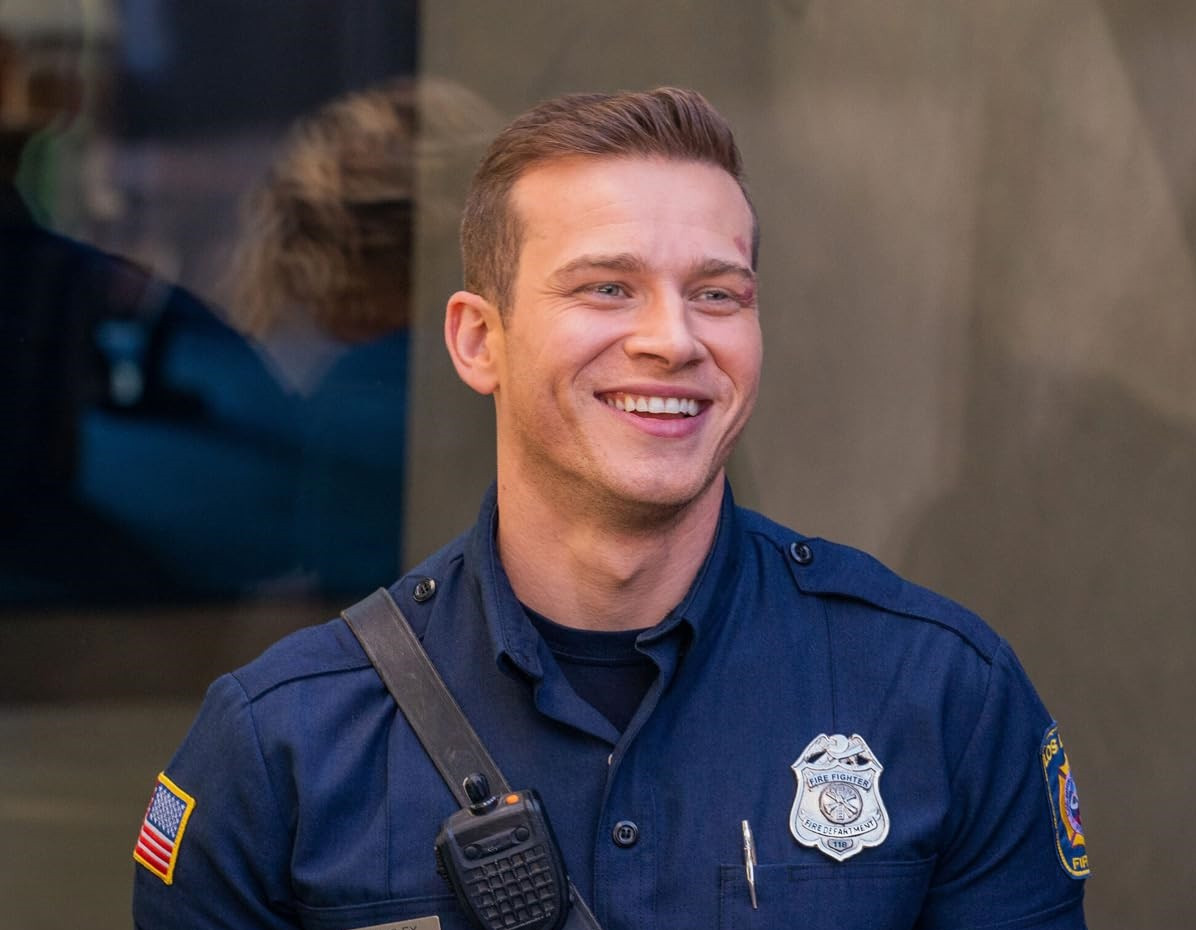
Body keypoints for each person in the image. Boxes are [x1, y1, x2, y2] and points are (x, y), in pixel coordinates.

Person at [132, 87, 1090, 929]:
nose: (673, 339)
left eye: (716, 294)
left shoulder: (940, 696)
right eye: (607, 287)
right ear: (478, 341)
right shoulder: (281, 747)